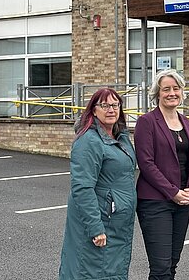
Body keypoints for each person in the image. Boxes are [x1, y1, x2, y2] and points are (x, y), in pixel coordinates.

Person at [59, 88, 137, 280]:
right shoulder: (88, 141)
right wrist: (96, 227)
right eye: (104, 105)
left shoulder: (119, 137)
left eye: (115, 105)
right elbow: (82, 188)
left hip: (117, 222)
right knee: (90, 271)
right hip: (101, 221)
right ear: (94, 110)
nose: (111, 109)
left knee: (111, 271)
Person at [134, 69, 189, 280]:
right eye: (166, 89)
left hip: (182, 203)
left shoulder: (186, 122)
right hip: (155, 202)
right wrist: (173, 192)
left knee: (172, 263)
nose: (172, 93)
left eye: (176, 88)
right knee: (160, 266)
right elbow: (146, 163)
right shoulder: (147, 122)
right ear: (157, 93)